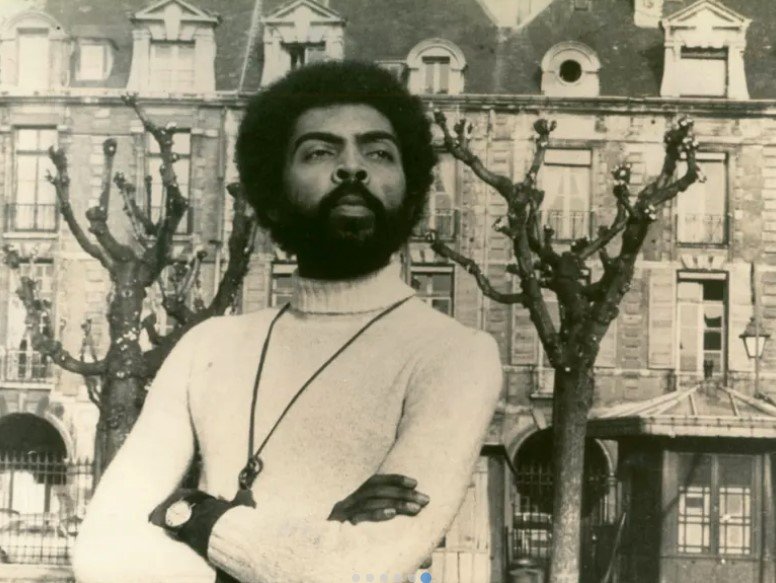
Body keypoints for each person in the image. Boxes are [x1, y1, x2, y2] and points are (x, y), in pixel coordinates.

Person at [72, 60, 503, 583]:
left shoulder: (456, 355)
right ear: (272, 196)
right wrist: (315, 538)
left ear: (409, 191)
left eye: (378, 152)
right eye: (319, 151)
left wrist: (189, 512)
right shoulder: (207, 346)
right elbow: (101, 553)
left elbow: (359, 568)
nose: (352, 168)